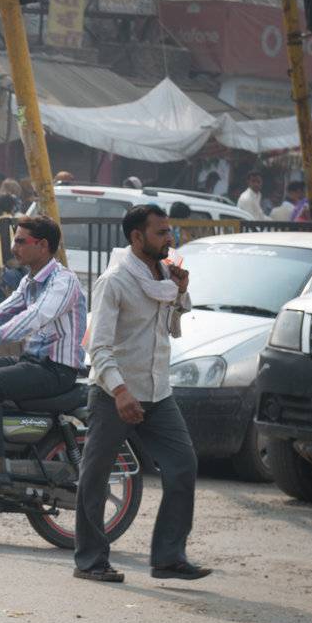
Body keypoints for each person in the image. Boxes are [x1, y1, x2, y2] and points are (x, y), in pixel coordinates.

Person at [77, 204, 206, 583]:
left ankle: (168, 557)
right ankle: (90, 560)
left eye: (170, 232)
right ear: (137, 237)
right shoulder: (114, 281)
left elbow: (173, 328)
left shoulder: (165, 276)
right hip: (114, 393)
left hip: (157, 392)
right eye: (161, 232)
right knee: (96, 476)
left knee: (183, 466)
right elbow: (98, 348)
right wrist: (120, 392)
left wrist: (180, 294)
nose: (170, 239)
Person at [0, 216, 87, 491]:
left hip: (55, 370)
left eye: (20, 241)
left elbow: (35, 316)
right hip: (33, 362)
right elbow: (2, 312)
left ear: (42, 246)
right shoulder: (30, 282)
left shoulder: (63, 282)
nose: (14, 247)